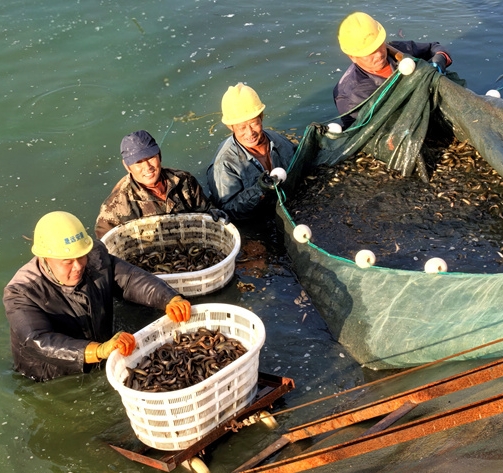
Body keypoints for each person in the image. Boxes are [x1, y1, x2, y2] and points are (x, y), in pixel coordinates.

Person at [3, 211, 191, 382]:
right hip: (50, 376)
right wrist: (98, 350)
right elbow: (38, 340)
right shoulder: (20, 293)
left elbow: (129, 279)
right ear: (45, 258)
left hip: (104, 351)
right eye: (67, 262)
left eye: (81, 256)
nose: (78, 266)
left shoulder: (93, 256)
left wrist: (169, 298)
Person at [334, 11, 460, 128]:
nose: (379, 54)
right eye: (370, 52)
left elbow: (435, 47)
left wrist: (439, 61)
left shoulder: (398, 50)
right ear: (353, 57)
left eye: (379, 45)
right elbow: (359, 134)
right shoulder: (350, 97)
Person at [95, 130, 227, 239]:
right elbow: (106, 245)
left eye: (150, 157)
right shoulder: (114, 206)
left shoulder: (184, 180)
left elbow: (203, 209)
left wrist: (212, 212)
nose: (147, 167)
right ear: (127, 166)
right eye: (138, 162)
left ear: (159, 155)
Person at [207, 83, 296, 220]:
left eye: (254, 123)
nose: (250, 133)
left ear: (261, 117)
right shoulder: (224, 163)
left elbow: (300, 160)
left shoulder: (277, 140)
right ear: (231, 127)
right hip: (258, 220)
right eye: (242, 127)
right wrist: (259, 189)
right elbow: (227, 209)